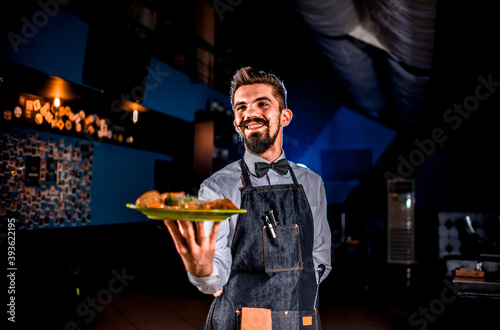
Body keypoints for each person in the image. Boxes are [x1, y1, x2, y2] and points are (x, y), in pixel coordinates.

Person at [164, 66, 332, 329]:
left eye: (262, 103)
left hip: (301, 320)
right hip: (240, 322)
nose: (250, 113)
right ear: (236, 123)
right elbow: (215, 274)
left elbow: (320, 256)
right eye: (241, 107)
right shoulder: (217, 187)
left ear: (285, 116)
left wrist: (295, 298)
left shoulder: (311, 183)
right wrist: (202, 271)